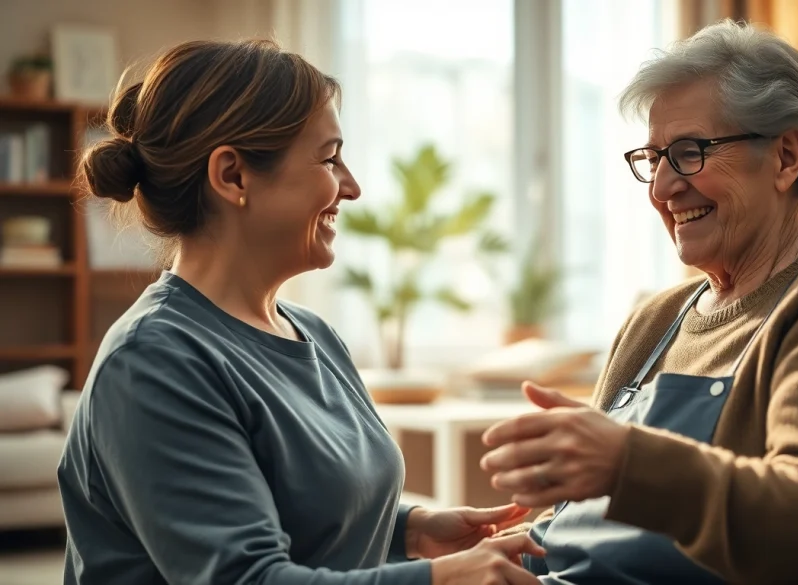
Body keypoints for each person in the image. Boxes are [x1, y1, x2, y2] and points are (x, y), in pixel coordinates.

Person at [478, 19, 798, 585]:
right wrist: (492, 554)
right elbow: (575, 527)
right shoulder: (657, 321)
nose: (662, 187)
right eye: (654, 157)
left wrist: (626, 463)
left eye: (690, 152)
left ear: (787, 157)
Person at [57, 39, 544, 585]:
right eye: (329, 158)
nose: (352, 187)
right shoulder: (153, 362)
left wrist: (407, 529)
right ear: (233, 176)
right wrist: (442, 578)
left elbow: (289, 506)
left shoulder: (312, 333)